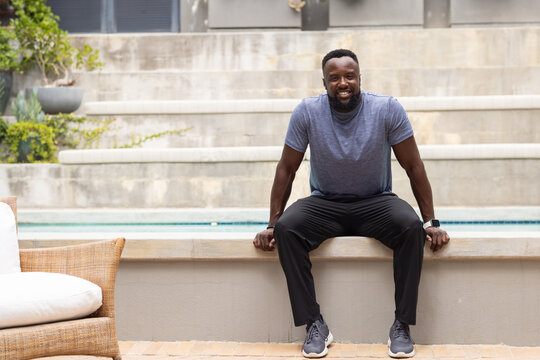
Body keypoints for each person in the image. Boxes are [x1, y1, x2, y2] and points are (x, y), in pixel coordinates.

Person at [253, 49, 450, 358]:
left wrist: (431, 222)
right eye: (334, 78)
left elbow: (413, 165)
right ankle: (314, 324)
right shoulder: (306, 112)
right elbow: (286, 168)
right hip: (325, 203)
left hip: (377, 202)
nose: (342, 83)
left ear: (360, 79)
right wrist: (271, 224)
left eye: (349, 76)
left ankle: (401, 326)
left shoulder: (386, 109)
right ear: (324, 82)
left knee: (410, 227)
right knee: (288, 228)